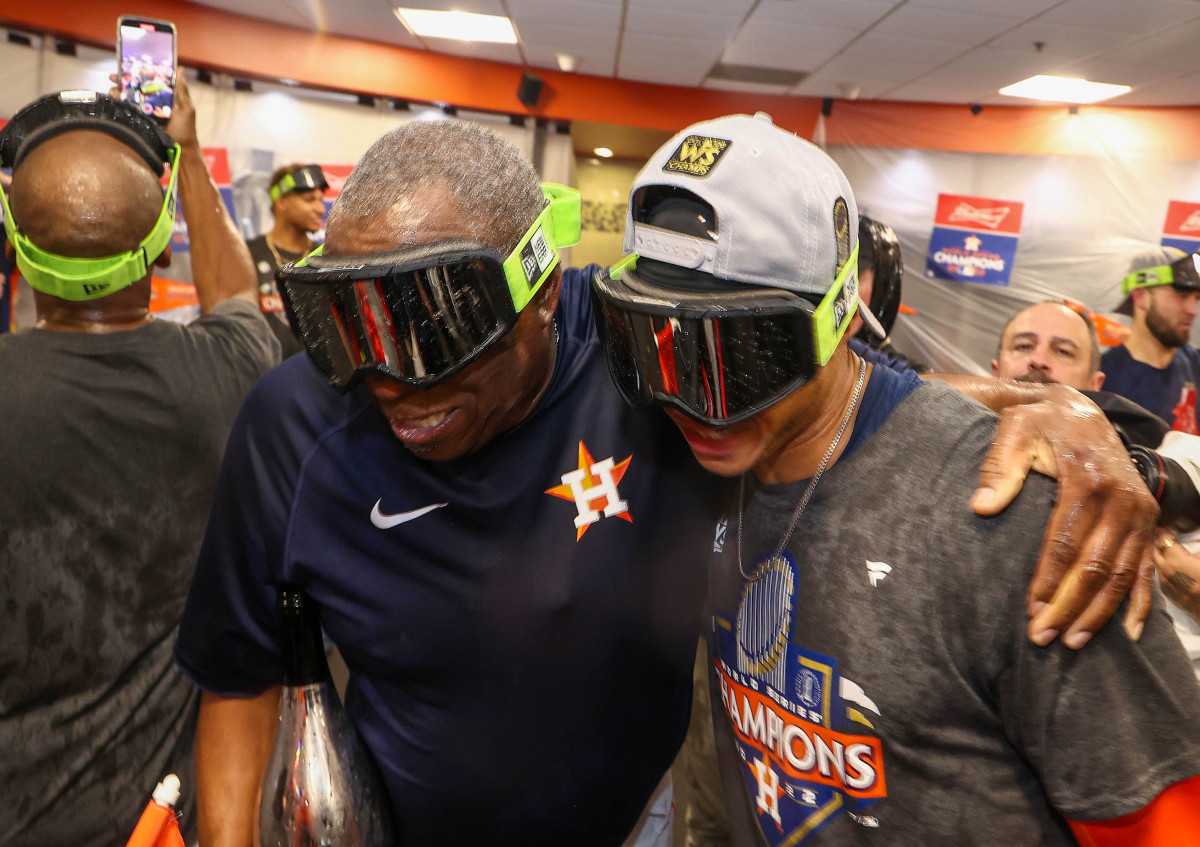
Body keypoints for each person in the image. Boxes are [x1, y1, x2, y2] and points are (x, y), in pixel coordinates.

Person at [178, 119, 1156, 847]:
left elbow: (822, 385)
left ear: (544, 292)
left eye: (433, 330)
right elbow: (239, 678)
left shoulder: (644, 363)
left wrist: (1058, 415)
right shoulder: (296, 423)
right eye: (350, 331)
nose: (390, 375)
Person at [592, 112, 1200, 844]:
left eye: (743, 354)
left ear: (841, 315)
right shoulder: (711, 457)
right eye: (660, 341)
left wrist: (1072, 415)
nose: (691, 395)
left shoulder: (1016, 520)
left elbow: (1162, 825)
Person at [0, 83, 278, 846]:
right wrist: (184, 154)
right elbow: (236, 291)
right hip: (157, 824)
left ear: (18, 253)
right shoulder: (227, 374)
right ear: (158, 245)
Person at [993, 299, 1200, 674]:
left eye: (1063, 351)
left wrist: (1134, 474)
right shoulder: (943, 442)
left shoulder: (1160, 445)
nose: (1039, 360)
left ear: (1095, 383)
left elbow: (1188, 473)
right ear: (993, 371)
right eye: (1024, 346)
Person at [1101, 246, 1200, 433]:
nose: (1193, 310)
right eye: (1182, 296)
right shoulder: (1102, 377)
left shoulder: (1196, 365)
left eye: (1196, 298)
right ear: (1140, 297)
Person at [245, 163, 329, 358]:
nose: (320, 208)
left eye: (320, 200)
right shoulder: (247, 254)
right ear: (281, 202)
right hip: (263, 373)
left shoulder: (328, 257)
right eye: (309, 200)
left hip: (320, 378)